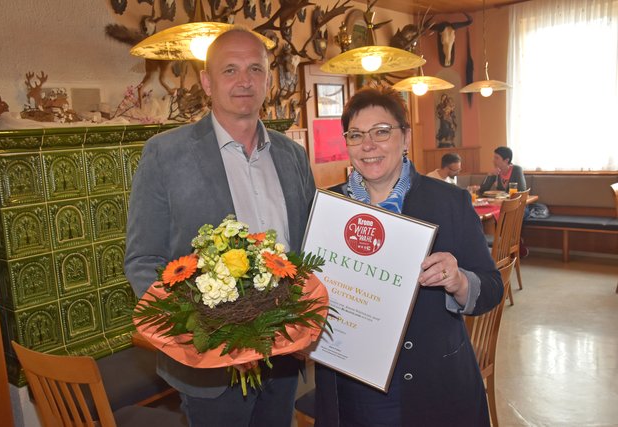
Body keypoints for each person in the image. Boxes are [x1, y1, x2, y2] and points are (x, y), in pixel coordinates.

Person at [124, 27, 316, 427]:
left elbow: (311, 248)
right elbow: (144, 260)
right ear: (208, 82)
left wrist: (307, 324)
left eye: (254, 69)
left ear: (268, 79)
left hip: (282, 357)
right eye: (230, 70)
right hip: (210, 368)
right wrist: (203, 337)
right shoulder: (165, 154)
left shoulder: (293, 156)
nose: (244, 81)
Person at [314, 86, 504, 426]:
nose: (368, 145)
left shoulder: (449, 202)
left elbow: (491, 287)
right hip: (353, 384)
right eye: (356, 135)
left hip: (433, 381)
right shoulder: (327, 207)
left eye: (382, 132)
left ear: (405, 138)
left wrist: (459, 281)